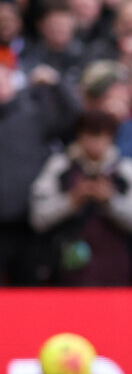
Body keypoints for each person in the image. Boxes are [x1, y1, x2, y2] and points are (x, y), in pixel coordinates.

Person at [29, 108, 132, 287]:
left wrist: (110, 200)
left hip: (114, 269)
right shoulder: (60, 166)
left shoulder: (126, 169)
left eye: (101, 135)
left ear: (111, 137)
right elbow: (38, 217)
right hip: (66, 268)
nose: (95, 143)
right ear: (79, 136)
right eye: (90, 135)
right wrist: (72, 200)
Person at [0, 63, 75, 284]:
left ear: (12, 83)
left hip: (29, 222)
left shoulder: (32, 114)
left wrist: (57, 83)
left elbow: (73, 116)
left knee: (30, 289)